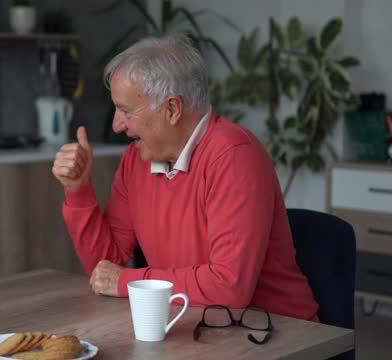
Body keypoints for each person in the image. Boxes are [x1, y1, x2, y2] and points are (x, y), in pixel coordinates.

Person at [52, 35, 319, 321]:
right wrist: (78, 190)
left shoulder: (234, 156)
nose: (116, 125)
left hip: (277, 333)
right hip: (193, 324)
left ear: (172, 109)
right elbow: (105, 270)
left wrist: (129, 281)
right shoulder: (136, 160)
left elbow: (229, 288)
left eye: (126, 111)